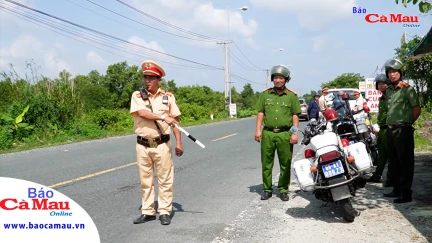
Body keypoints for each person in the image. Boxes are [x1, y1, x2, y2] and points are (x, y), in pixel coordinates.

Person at [130, 60, 184, 225]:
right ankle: (147, 211)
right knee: (145, 180)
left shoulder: (168, 97)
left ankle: (164, 211)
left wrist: (179, 142)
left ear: (158, 79)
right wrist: (162, 116)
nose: (147, 80)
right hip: (143, 144)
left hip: (162, 144)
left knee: (165, 179)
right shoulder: (137, 95)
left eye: (151, 77)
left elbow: (175, 121)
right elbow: (142, 112)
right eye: (145, 77)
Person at [254, 64, 301, 201]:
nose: (278, 80)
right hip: (268, 133)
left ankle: (283, 189)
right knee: (266, 163)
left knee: (285, 163)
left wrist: (294, 133)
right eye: (275, 78)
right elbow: (261, 112)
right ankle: (267, 189)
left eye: (281, 78)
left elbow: (295, 116)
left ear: (286, 80)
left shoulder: (292, 96)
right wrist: (258, 130)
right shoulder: (265, 94)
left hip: (285, 133)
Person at [382, 58, 421, 203]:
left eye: (395, 72)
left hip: (402, 130)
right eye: (390, 72)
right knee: (394, 161)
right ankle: (396, 189)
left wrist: (406, 123)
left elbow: (416, 109)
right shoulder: (389, 92)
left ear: (400, 73)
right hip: (391, 130)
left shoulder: (407, 89)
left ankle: (406, 193)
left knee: (405, 162)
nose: (392, 74)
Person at [367, 74, 393, 186]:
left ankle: (391, 179)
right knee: (382, 154)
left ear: (388, 84)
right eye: (379, 84)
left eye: (383, 83)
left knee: (391, 155)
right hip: (381, 129)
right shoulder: (382, 98)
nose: (381, 85)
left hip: (388, 129)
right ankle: (377, 175)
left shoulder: (390, 96)